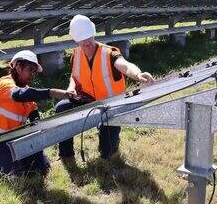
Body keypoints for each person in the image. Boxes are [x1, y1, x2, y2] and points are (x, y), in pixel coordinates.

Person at [55, 14, 155, 160]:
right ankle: (66, 154)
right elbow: (74, 77)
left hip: (110, 105)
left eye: (90, 39)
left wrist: (138, 74)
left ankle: (109, 144)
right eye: (83, 42)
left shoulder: (109, 53)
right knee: (61, 108)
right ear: (76, 41)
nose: (88, 43)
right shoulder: (76, 55)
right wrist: (71, 88)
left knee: (108, 154)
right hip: (87, 100)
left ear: (93, 34)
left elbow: (125, 66)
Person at [0, 50, 75, 176]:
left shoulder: (27, 95)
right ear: (18, 67)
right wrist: (52, 92)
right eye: (30, 70)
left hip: (14, 138)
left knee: (42, 168)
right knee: (17, 174)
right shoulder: (5, 83)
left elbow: (34, 120)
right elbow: (18, 95)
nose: (33, 75)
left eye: (35, 72)